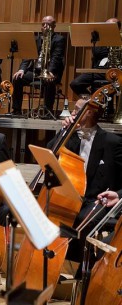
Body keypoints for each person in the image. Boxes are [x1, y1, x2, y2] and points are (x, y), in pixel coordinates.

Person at [49, 95, 122, 263]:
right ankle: (56, 265)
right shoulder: (71, 137)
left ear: (88, 113)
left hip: (98, 199)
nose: (72, 113)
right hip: (72, 196)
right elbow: (50, 153)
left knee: (82, 218)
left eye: (76, 110)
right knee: (52, 213)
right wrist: (64, 131)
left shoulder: (112, 142)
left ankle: (79, 267)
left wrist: (118, 194)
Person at [11, 15, 66, 115]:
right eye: (43, 24)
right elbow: (27, 56)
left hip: (50, 71)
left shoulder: (59, 39)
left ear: (54, 26)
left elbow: (56, 58)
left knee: (50, 81)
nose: (45, 26)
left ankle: (47, 110)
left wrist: (50, 71)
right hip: (35, 72)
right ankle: (16, 110)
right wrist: (22, 69)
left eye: (48, 24)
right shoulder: (36, 39)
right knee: (17, 78)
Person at [70, 17, 121, 95]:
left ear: (118, 28)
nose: (107, 29)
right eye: (106, 26)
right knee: (75, 83)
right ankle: (92, 101)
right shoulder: (100, 39)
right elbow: (97, 53)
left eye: (111, 26)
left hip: (117, 72)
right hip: (100, 71)